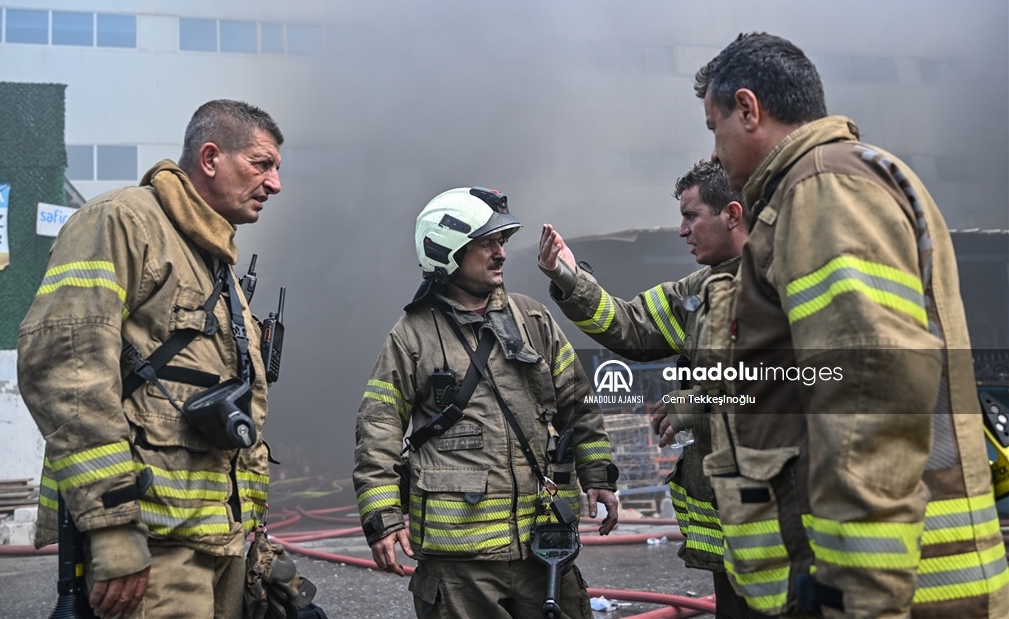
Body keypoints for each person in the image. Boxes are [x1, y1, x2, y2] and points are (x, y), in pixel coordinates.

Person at [695, 32, 1008, 617]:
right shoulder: (823, 185)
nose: (714, 153)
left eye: (715, 128)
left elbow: (867, 394)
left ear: (748, 108)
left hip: (892, 593)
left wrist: (859, 597)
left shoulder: (822, 186)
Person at [19, 100, 284, 619]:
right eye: (262, 164)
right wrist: (114, 527)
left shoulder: (215, 262)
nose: (274, 184)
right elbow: (65, 368)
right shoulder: (120, 221)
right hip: (152, 545)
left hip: (218, 541)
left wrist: (252, 531)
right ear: (210, 158)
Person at [353, 187, 619, 619]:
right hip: (460, 562)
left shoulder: (532, 319)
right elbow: (377, 429)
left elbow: (579, 403)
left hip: (544, 544)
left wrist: (598, 475)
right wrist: (382, 516)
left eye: (502, 242)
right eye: (486, 244)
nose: (501, 254)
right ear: (447, 252)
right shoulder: (412, 335)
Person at [538, 160, 751, 619]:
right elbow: (630, 325)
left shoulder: (784, 284)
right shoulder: (698, 291)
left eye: (691, 216)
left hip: (785, 521)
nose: (681, 230)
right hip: (735, 525)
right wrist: (570, 280)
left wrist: (700, 402)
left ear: (732, 215)